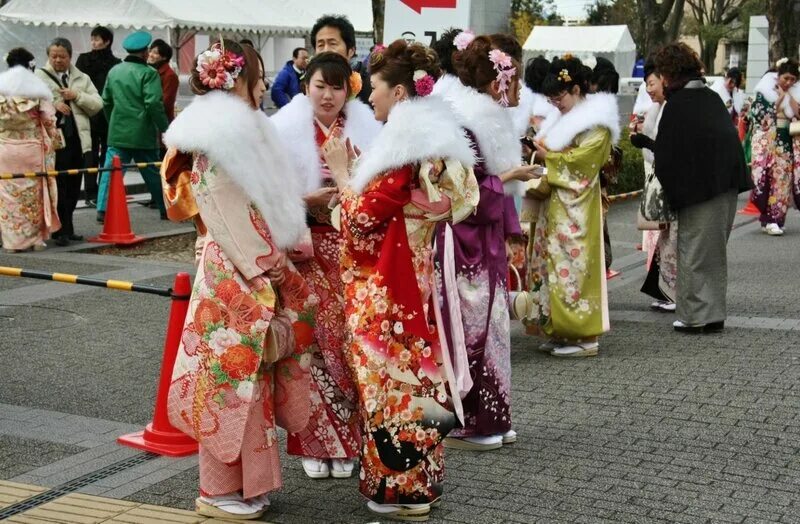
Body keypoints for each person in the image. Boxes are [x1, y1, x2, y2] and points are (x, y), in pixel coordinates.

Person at [321, 40, 479, 521]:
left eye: (375, 89)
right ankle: (414, 484)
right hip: (413, 280)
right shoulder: (425, 146)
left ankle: (403, 490)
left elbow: (359, 222)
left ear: (402, 94)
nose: (370, 98)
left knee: (392, 384)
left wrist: (343, 173)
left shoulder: (402, 154)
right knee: (415, 377)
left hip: (389, 287)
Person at [164, 40, 316, 521]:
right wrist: (267, 260)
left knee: (251, 383)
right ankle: (216, 490)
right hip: (235, 270)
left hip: (243, 265)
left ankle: (248, 485)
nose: (264, 83)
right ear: (239, 80)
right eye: (257, 75)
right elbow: (226, 210)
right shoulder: (219, 142)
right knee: (229, 384)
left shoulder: (235, 135)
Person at [270, 52, 381, 480]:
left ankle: (349, 441)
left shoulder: (367, 129)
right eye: (320, 85)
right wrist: (306, 201)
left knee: (349, 345)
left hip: (351, 252)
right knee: (307, 346)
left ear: (349, 88)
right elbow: (267, 195)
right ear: (305, 86)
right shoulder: (283, 130)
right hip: (305, 251)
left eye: (336, 86)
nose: (328, 95)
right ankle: (312, 444)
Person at [432, 32, 537, 451]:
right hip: (463, 238)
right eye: (508, 78)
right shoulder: (465, 123)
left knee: (490, 327)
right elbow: (461, 190)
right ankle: (475, 419)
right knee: (472, 327)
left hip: (484, 237)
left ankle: (490, 418)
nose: (510, 87)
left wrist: (511, 228)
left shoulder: (482, 118)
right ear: (497, 80)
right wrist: (507, 179)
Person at [632, 43, 751, 333]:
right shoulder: (709, 97)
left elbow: (670, 155)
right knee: (713, 253)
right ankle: (712, 314)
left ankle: (694, 317)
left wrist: (669, 190)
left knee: (693, 251)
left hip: (700, 189)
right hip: (726, 182)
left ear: (670, 73)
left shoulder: (679, 103)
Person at [524, 55, 619, 357]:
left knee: (572, 268)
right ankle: (560, 331)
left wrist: (545, 157)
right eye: (551, 98)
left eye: (559, 96)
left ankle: (584, 336)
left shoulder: (597, 124)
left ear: (577, 89)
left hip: (576, 207)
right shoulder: (563, 118)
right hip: (557, 205)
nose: (555, 103)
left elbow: (583, 165)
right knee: (550, 266)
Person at [36, 37, 103, 246]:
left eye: (62, 56)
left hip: (78, 140)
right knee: (60, 185)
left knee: (74, 184)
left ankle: (69, 227)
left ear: (70, 56)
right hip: (54, 141)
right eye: (53, 56)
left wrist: (77, 96)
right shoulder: (39, 77)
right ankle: (60, 230)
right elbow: (32, 103)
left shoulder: (81, 77)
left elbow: (97, 103)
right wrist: (53, 104)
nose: (58, 60)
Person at [97, 31, 169, 223]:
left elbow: (106, 102)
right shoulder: (149, 73)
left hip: (118, 130)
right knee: (152, 172)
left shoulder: (115, 71)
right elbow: (154, 104)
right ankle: (165, 208)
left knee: (111, 170)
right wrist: (165, 128)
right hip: (143, 133)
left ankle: (102, 209)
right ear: (145, 52)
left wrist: (113, 120)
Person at [0, 48, 61, 252]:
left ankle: (11, 241)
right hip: (31, 149)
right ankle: (35, 239)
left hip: (5, 147)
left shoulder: (2, 86)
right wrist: (54, 139)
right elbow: (49, 119)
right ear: (29, 65)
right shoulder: (35, 87)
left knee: (7, 195)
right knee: (33, 195)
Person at [631, 59, 678, 312]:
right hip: (659, 175)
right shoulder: (657, 108)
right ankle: (664, 290)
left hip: (672, 179)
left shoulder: (672, 107)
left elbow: (667, 146)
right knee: (664, 239)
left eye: (652, 83)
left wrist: (646, 143)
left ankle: (672, 293)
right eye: (646, 84)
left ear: (664, 81)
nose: (649, 89)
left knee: (672, 239)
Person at [749, 58, 800, 236]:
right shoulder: (764, 89)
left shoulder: (794, 91)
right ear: (778, 75)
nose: (789, 82)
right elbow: (759, 115)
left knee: (782, 180)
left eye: (793, 79)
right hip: (769, 140)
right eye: (786, 78)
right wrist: (778, 100)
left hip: (786, 139)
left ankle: (775, 219)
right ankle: (767, 219)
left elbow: (798, 113)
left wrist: (788, 97)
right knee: (766, 178)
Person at [75, 26, 120, 207]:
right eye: (92, 38)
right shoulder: (83, 59)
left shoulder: (116, 63)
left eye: (97, 39)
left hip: (109, 114)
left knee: (107, 155)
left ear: (107, 41)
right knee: (90, 154)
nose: (93, 42)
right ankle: (90, 193)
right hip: (89, 112)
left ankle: (103, 191)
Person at [311, 15, 372, 105]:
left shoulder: (370, 85)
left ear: (351, 51)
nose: (326, 50)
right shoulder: (310, 84)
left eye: (332, 43)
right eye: (320, 45)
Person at [148, 39, 179, 124]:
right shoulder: (150, 70)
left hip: (161, 121)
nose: (150, 55)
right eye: (150, 51)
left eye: (155, 53)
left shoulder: (170, 76)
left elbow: (166, 103)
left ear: (164, 57)